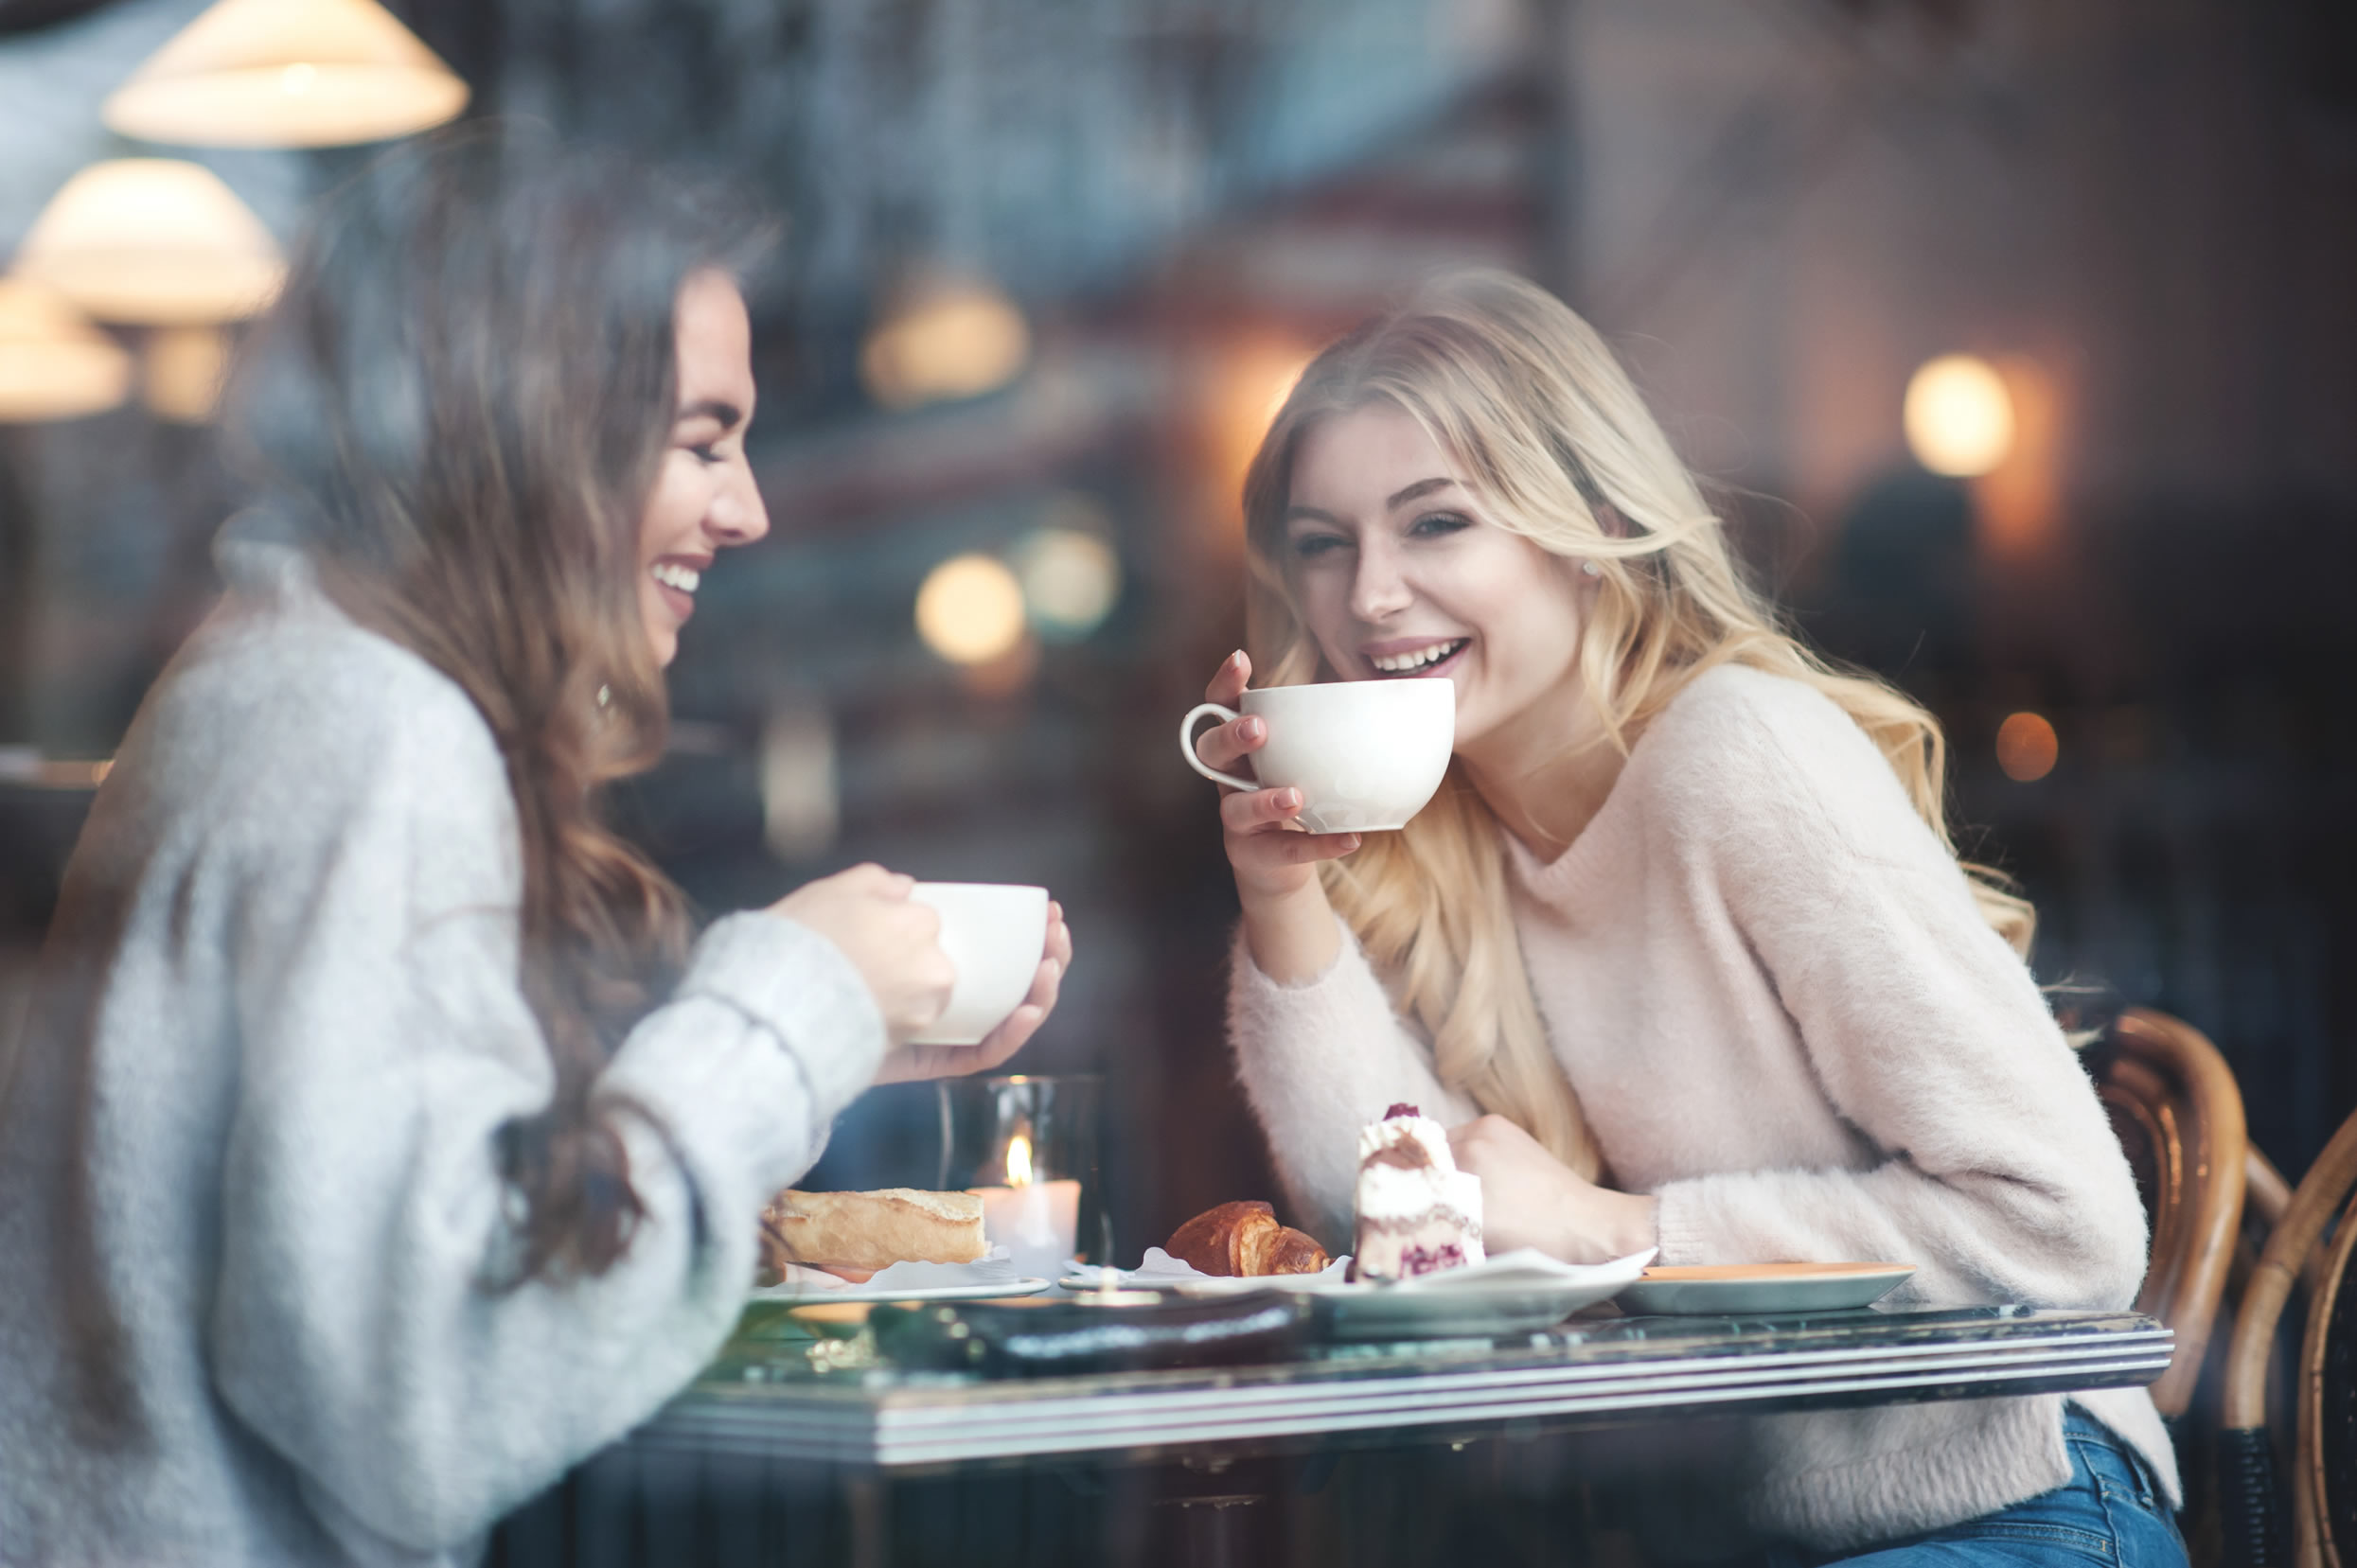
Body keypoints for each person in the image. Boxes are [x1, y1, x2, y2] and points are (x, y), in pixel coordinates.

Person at [0, 130, 1071, 1566]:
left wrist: (824, 1053)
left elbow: (371, 1224)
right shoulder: (379, 732)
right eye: (701, 439)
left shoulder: (285, 677)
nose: (748, 505)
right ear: (533, 427)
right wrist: (788, 1006)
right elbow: (437, 1392)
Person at [1196, 270, 2181, 1565]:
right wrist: (1281, 899)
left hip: (2014, 1506)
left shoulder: (1739, 754)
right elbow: (1410, 1233)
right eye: (1324, 542)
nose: (1368, 594)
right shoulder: (1436, 837)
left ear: (1591, 525)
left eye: (1436, 524)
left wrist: (1622, 1233)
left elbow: (2066, 1229)